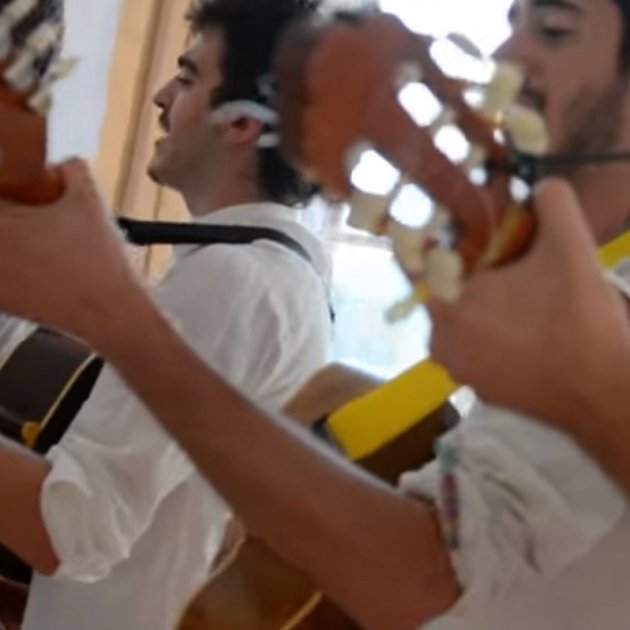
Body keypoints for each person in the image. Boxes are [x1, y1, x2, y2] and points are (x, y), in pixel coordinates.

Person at [1, 1, 630, 629]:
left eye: (553, 28)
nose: (504, 56)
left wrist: (115, 311)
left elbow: (428, 578)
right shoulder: (576, 295)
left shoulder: (243, 279)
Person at [0, 1, 332, 629]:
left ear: (241, 121)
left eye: (186, 77)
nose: (160, 97)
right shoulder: (281, 278)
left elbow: (73, 528)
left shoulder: (233, 284)